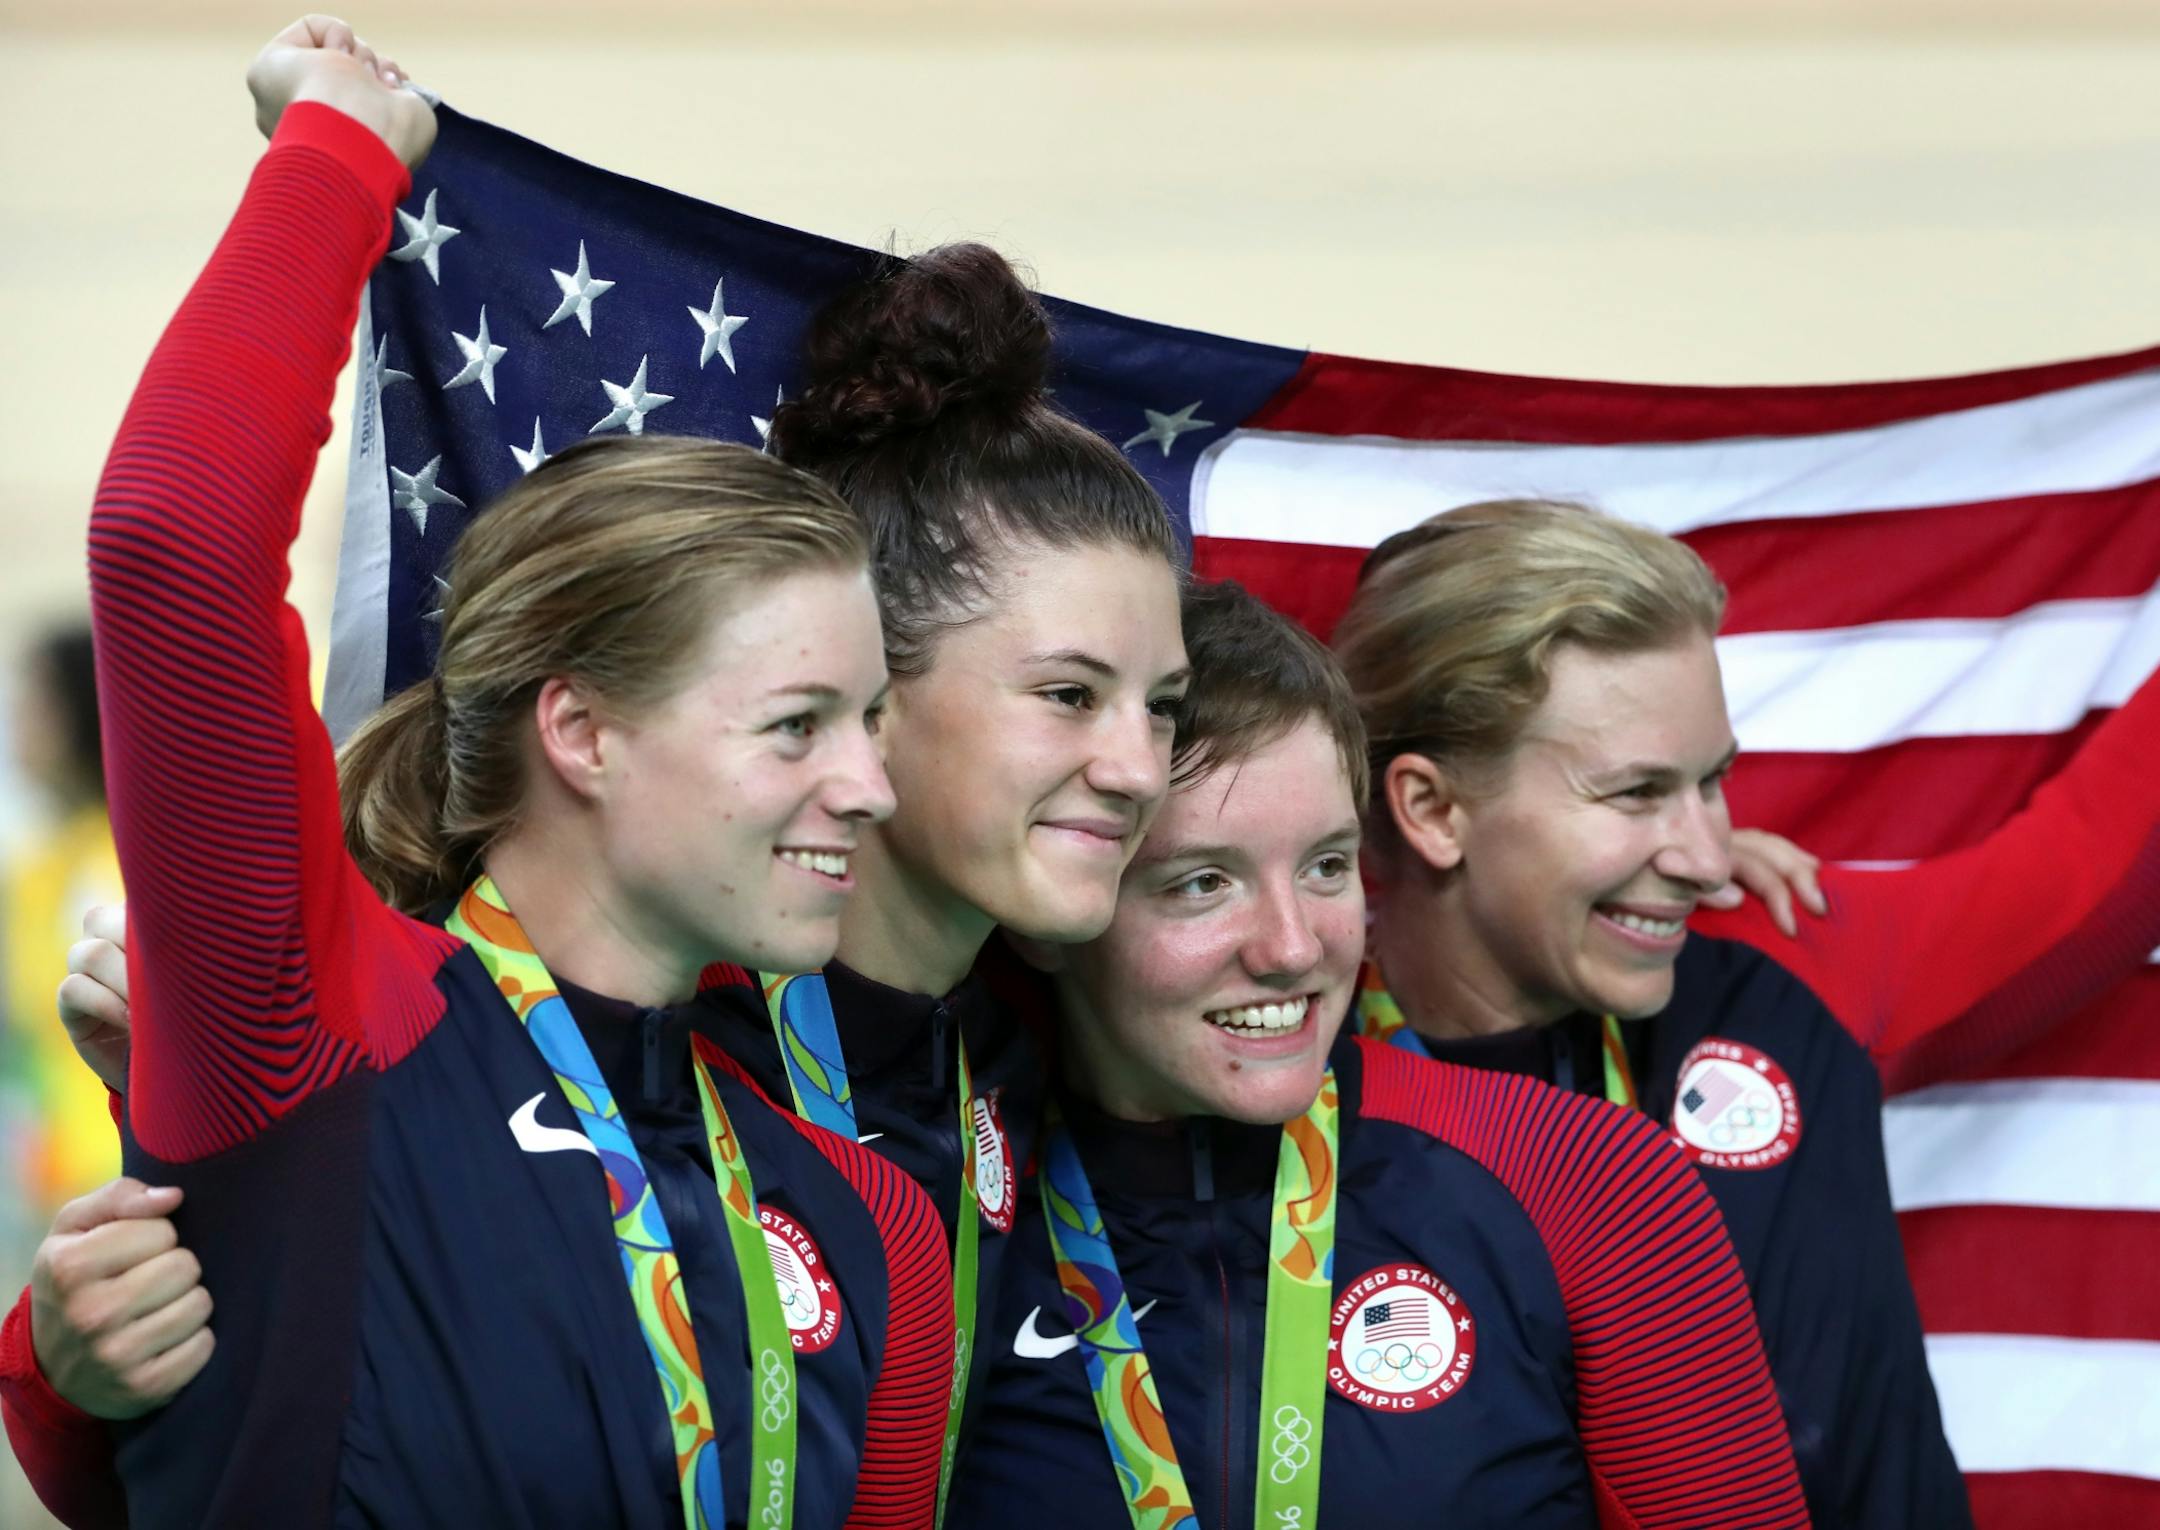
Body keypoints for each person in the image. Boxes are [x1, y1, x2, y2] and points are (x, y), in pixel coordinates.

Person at [1, 82, 1191, 1530]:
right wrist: (337, 156)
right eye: (798, 723)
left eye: (871, 719)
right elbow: (172, 544)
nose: (866, 784)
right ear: (582, 729)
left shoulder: (867, 1225)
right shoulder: (318, 1021)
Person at [947, 581, 1810, 1529]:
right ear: (1053, 919)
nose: (1294, 948)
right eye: (1202, 883)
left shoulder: (1584, 1175)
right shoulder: (944, 1203)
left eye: (1325, 865)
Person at [1333, 499, 1972, 1527]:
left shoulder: (1778, 967)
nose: (1708, 856)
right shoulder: (1255, 1080)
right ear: (1433, 809)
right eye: (1635, 794)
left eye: (1712, 781)